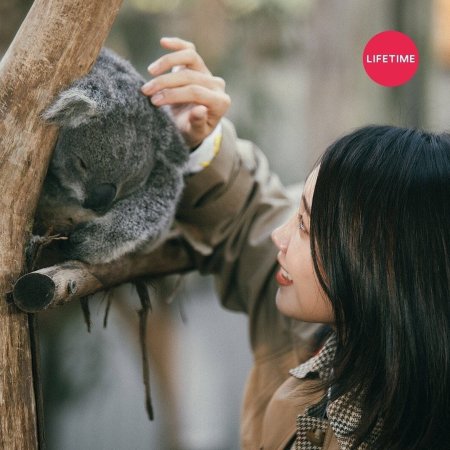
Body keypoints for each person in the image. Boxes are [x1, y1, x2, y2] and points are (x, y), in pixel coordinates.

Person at [141, 37, 450, 449]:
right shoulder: (320, 332)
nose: (278, 236)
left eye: (305, 224)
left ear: (380, 264)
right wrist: (200, 139)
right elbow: (246, 217)